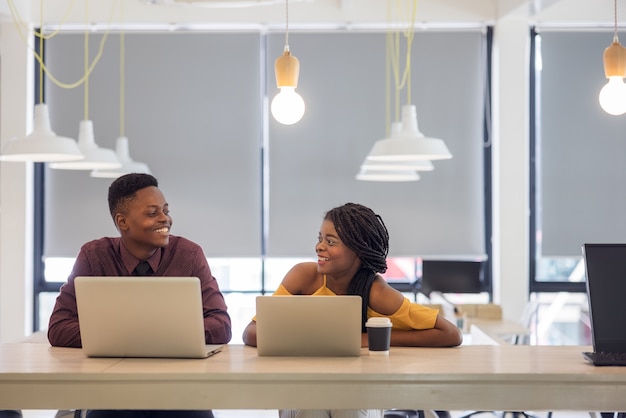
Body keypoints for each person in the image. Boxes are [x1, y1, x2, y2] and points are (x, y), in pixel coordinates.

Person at [242, 202, 463, 418]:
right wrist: (315, 340)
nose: (319, 246)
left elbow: (451, 334)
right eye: (320, 239)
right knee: (309, 408)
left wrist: (371, 338)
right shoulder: (304, 277)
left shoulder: (376, 292)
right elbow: (251, 332)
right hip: (303, 383)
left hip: (358, 387)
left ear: (357, 251)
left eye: (331, 241)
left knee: (351, 409)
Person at [48, 173, 232, 418]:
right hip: (112, 392)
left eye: (165, 210)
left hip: (181, 391)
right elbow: (59, 327)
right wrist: (146, 336)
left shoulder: (189, 255)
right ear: (123, 222)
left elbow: (221, 324)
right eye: (152, 212)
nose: (165, 218)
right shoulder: (94, 256)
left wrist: (134, 336)